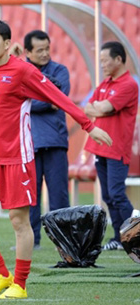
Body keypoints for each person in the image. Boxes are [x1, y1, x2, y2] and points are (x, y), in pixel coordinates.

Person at [0, 19, 112, 299]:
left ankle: (19, 284)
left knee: (19, 222)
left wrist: (89, 125)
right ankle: (0, 274)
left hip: (17, 159)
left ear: (7, 43)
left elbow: (58, 97)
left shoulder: (23, 70)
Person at [84, 41, 138, 251]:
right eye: (100, 61)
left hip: (117, 148)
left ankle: (134, 236)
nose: (102, 64)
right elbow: (89, 108)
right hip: (99, 148)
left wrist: (100, 108)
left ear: (118, 59)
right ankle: (118, 237)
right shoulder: (105, 83)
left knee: (116, 194)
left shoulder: (129, 85)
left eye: (105, 60)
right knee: (108, 196)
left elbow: (104, 107)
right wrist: (100, 109)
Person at [23, 30, 71, 249]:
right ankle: (33, 240)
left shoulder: (60, 70)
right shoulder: (21, 71)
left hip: (55, 142)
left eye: (47, 49)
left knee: (59, 195)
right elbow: (17, 100)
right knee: (30, 196)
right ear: (28, 52)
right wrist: (46, 97)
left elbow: (59, 99)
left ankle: (65, 241)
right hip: (29, 143)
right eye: (39, 50)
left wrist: (30, 100)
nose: (44, 54)